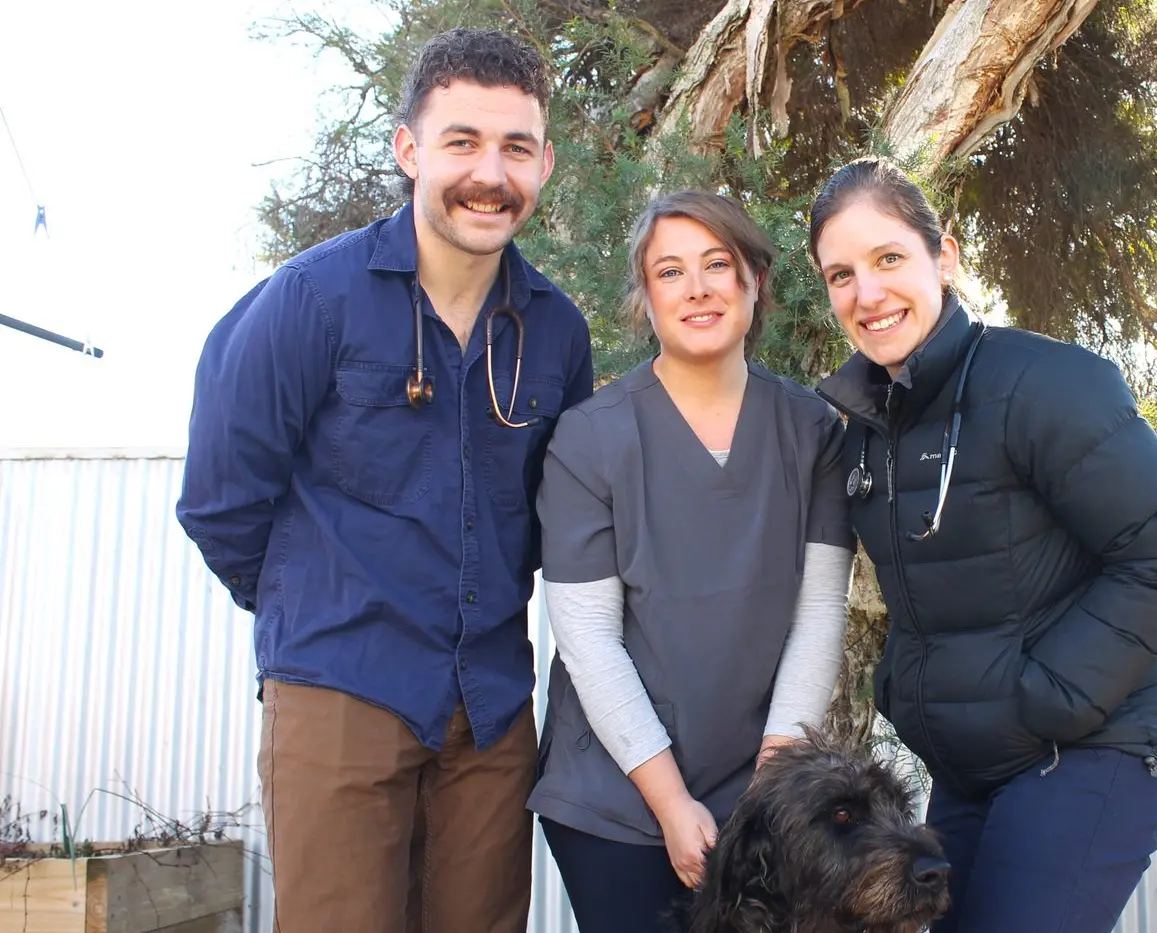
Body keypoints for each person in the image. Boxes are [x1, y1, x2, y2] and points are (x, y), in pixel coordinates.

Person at [175, 27, 593, 933]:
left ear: (545, 163)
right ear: (409, 150)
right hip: (338, 691)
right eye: (462, 142)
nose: (491, 173)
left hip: (488, 710)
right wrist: (318, 610)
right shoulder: (312, 299)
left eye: (516, 147)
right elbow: (218, 498)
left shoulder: (556, 331)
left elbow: (565, 515)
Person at [806, 156, 1157, 933]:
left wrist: (1046, 699)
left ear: (944, 256)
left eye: (889, 258)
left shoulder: (1045, 383)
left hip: (1087, 750)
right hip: (968, 768)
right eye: (840, 275)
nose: (867, 293)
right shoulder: (862, 428)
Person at [526, 190, 857, 933]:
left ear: (754, 282)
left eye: (718, 264)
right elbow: (588, 639)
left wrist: (771, 792)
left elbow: (818, 613)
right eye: (670, 272)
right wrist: (672, 803)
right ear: (646, 297)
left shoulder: (812, 431)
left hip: (759, 784)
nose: (698, 287)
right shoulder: (591, 439)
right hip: (616, 790)